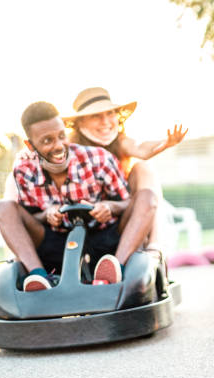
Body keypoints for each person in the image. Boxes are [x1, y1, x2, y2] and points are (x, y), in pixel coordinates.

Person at [0, 102, 156, 291]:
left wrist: (110, 207)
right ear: (30, 145)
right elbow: (30, 219)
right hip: (56, 246)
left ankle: (114, 270)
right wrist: (47, 214)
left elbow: (127, 203)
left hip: (107, 240)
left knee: (147, 197)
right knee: (3, 208)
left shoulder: (99, 158)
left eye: (61, 136)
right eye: (47, 141)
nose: (59, 146)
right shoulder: (24, 172)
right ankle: (39, 277)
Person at [62, 87, 187, 254]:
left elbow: (141, 149)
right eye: (96, 116)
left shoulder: (120, 142)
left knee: (143, 168)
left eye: (110, 113)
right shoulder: (70, 150)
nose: (105, 121)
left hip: (123, 213)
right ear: (80, 122)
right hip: (86, 218)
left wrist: (165, 143)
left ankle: (154, 244)